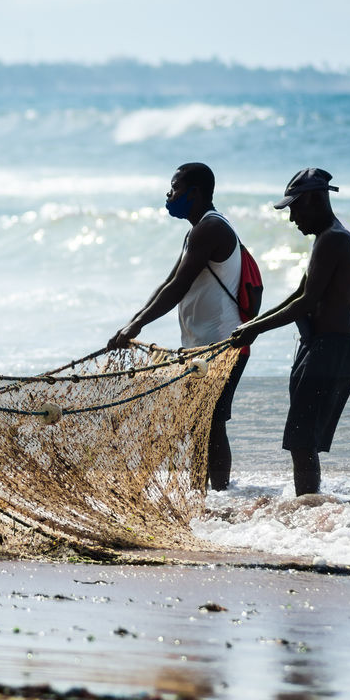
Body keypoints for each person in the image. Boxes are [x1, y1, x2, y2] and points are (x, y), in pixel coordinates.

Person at [107, 162, 259, 490]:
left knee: (210, 422)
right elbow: (169, 282)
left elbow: (178, 287)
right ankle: (201, 492)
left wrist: (137, 327)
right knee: (199, 423)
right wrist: (134, 322)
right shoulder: (196, 231)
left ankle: (217, 495)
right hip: (202, 348)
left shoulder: (211, 229)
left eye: (174, 189)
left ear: (195, 193)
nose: (169, 195)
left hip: (223, 346)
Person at [229, 167, 350, 496]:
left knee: (302, 441)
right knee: (302, 440)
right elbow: (298, 297)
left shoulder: (334, 239)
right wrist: (251, 325)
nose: (292, 219)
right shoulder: (325, 239)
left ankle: (308, 511)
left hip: (331, 350)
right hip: (316, 349)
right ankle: (310, 506)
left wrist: (256, 330)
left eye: (296, 208)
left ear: (317, 200)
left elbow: (306, 304)